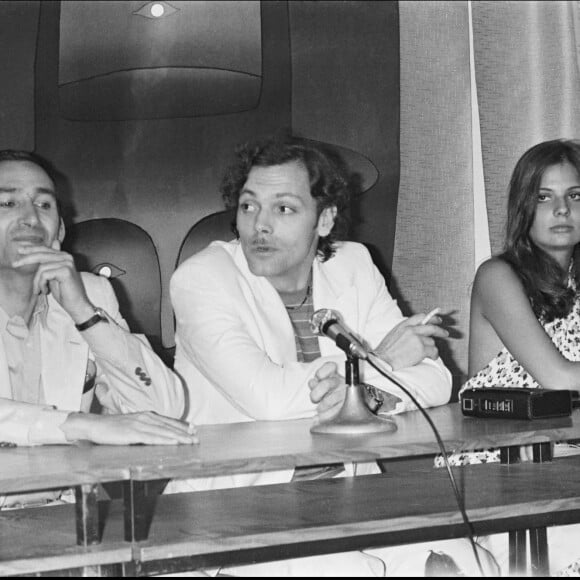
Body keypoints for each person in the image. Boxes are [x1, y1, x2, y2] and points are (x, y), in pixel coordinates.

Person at [169, 134, 499, 576]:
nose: (258, 225)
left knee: (468, 565)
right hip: (234, 505)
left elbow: (434, 379)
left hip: (350, 491)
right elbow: (266, 399)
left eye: (283, 209)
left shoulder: (353, 264)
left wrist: (366, 396)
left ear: (324, 220)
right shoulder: (201, 280)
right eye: (248, 206)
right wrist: (379, 359)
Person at [0, 150, 198, 507]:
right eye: (8, 202)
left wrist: (84, 313)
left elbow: (163, 408)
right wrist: (83, 425)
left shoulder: (90, 293)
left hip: (64, 514)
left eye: (44, 205)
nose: (29, 217)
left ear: (59, 229)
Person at [439, 139, 580, 576]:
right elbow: (558, 376)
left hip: (564, 459)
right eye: (544, 197)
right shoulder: (498, 276)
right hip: (498, 467)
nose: (562, 210)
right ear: (524, 207)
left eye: (576, 196)